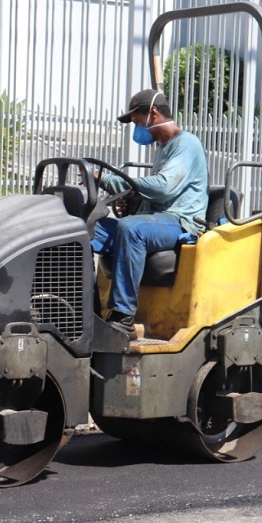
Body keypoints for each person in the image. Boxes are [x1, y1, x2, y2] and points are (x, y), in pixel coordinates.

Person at [93, 89, 209, 337]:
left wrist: (109, 181)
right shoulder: (163, 148)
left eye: (136, 121)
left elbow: (164, 186)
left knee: (131, 228)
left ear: (153, 114)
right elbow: (154, 198)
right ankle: (82, 305)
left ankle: (123, 316)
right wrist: (134, 204)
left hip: (180, 222)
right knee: (90, 226)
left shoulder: (186, 144)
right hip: (158, 221)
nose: (136, 128)